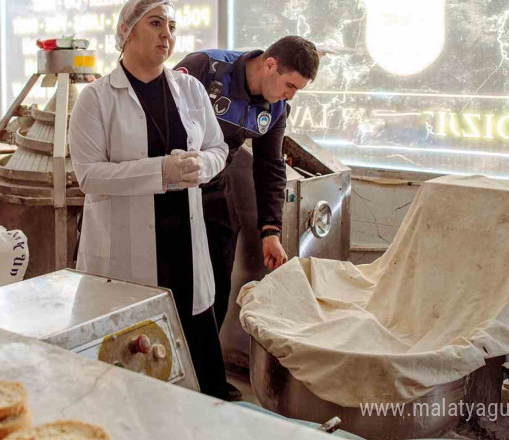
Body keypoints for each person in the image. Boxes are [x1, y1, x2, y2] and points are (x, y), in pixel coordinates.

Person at [68, 0, 232, 400]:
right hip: (127, 251)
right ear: (126, 32)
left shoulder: (189, 89)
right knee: (133, 368)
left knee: (196, 366)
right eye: (156, 23)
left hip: (183, 248)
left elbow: (218, 147)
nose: (167, 34)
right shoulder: (96, 99)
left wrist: (201, 167)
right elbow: (90, 175)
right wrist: (161, 172)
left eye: (172, 26)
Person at [174, 37, 320, 331]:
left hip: (214, 187)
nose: (290, 96)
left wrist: (271, 231)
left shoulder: (276, 109)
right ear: (270, 65)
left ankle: (207, 368)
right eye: (289, 86)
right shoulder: (206, 68)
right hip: (172, 186)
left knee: (216, 281)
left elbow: (270, 166)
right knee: (175, 277)